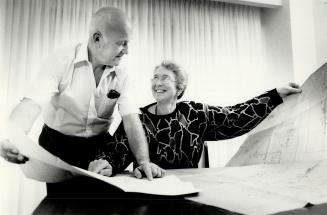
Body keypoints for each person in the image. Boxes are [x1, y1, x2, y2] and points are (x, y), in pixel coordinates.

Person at [0, 7, 165, 181]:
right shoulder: (60, 61)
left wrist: (143, 161)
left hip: (98, 148)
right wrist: (13, 137)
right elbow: (31, 105)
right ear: (97, 39)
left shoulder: (123, 73)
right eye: (121, 43)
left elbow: (131, 121)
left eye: (128, 43)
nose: (127, 50)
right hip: (56, 145)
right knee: (61, 205)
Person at [88, 60, 302, 175]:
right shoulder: (138, 117)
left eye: (165, 78)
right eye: (154, 77)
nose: (157, 83)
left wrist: (275, 95)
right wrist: (106, 163)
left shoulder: (195, 113)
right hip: (147, 193)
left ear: (179, 88)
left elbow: (235, 118)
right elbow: (117, 150)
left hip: (187, 192)